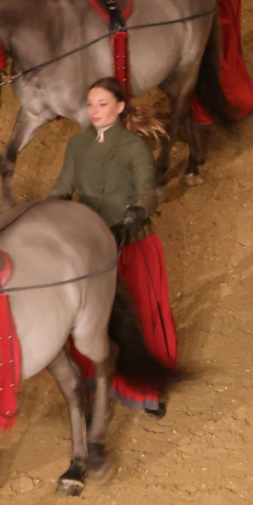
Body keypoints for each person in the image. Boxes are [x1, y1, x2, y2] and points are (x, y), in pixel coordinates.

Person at [53, 78, 176, 410]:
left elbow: (147, 193)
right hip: (91, 247)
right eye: (90, 104)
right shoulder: (77, 146)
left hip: (131, 243)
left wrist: (138, 211)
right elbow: (62, 188)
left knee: (141, 313)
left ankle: (146, 389)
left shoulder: (135, 148)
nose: (94, 111)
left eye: (102, 104)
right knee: (87, 317)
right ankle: (94, 383)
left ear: (121, 107)